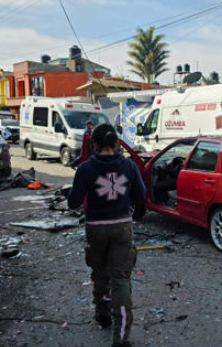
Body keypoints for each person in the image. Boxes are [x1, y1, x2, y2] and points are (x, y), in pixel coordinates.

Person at [68, 124, 146, 347]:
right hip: (122, 226)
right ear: (117, 144)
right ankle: (120, 338)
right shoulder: (129, 166)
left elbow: (73, 202)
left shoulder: (85, 169)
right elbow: (141, 194)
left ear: (94, 145)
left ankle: (102, 314)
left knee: (100, 274)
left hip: (96, 228)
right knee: (121, 280)